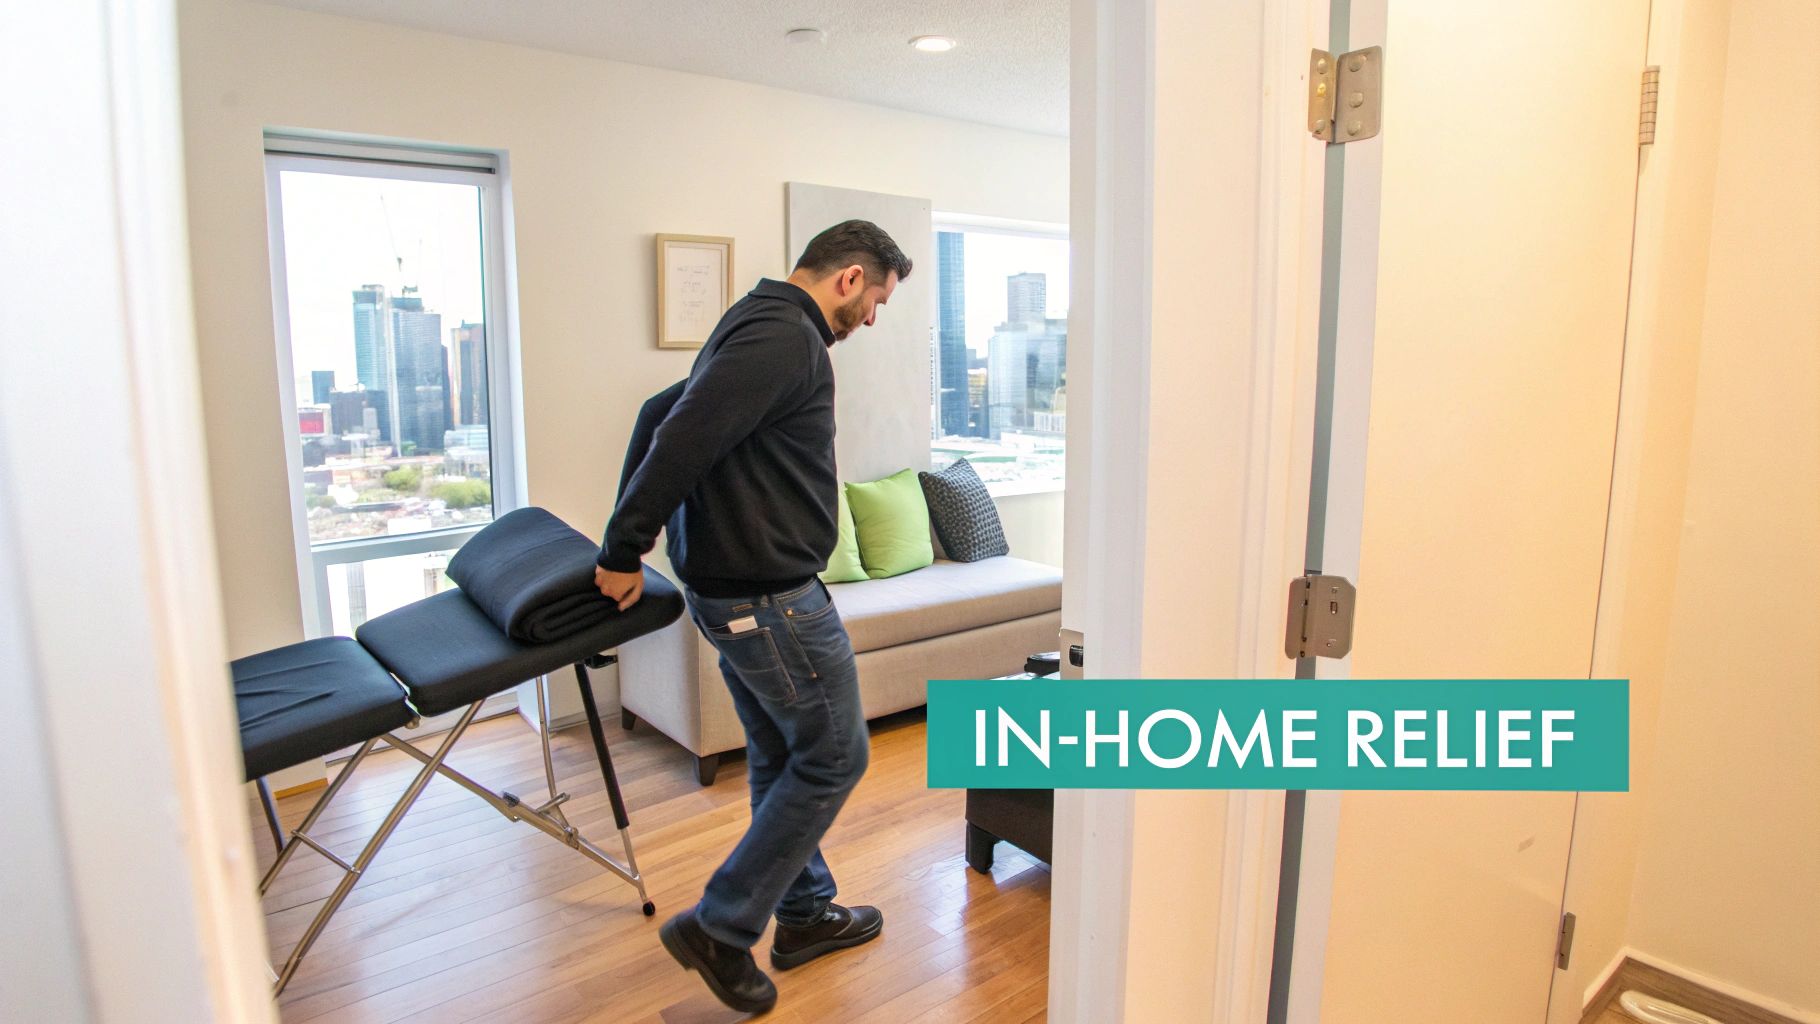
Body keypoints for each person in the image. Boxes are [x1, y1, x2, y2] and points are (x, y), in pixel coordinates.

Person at [594, 220, 912, 1015]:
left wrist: (630, 539)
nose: (871, 318)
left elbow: (657, 413)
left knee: (779, 752)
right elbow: (680, 435)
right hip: (770, 602)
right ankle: (721, 926)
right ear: (849, 278)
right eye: (875, 300)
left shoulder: (755, 319)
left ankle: (803, 914)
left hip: (737, 597)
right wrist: (623, 548)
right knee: (834, 758)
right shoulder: (785, 337)